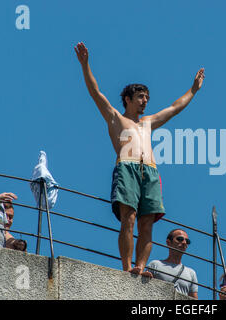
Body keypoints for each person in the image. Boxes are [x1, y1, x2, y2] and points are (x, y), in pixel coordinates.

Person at [74, 42, 205, 277]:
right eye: (140, 97)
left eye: (147, 97)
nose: (145, 101)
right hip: (127, 167)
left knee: (147, 223)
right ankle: (126, 267)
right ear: (127, 98)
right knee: (129, 219)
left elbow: (175, 108)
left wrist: (193, 90)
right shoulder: (115, 117)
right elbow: (95, 92)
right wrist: (85, 65)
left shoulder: (148, 122)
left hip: (150, 171)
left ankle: (141, 267)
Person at [146, 229, 198, 299]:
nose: (184, 242)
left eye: (187, 241)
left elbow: (194, 299)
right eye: (180, 239)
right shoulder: (155, 265)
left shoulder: (191, 273)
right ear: (168, 242)